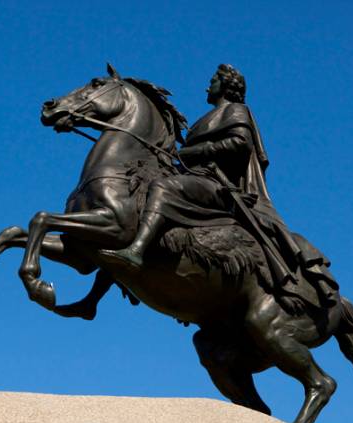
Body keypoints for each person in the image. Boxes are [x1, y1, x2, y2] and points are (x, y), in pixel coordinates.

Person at [100, 64, 338, 306]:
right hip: (196, 178)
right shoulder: (203, 119)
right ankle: (93, 299)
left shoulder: (236, 110)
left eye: (213, 80)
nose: (207, 85)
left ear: (225, 85)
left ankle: (137, 251)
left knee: (163, 188)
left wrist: (196, 152)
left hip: (217, 184)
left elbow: (240, 143)